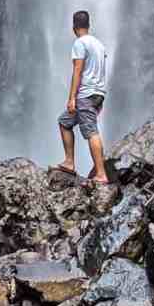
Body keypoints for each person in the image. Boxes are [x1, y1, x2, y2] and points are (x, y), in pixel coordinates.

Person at [52, 10, 111, 187]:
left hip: (85, 95)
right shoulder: (99, 45)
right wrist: (99, 96)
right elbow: (101, 70)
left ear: (74, 27)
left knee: (91, 131)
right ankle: (69, 162)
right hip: (97, 94)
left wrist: (72, 98)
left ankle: (101, 174)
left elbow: (77, 71)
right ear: (88, 25)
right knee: (64, 122)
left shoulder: (80, 43)